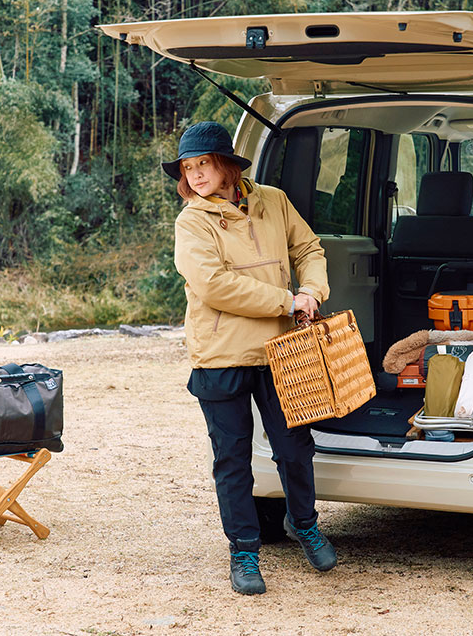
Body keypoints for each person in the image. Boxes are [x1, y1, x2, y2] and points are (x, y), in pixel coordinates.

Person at [165, 121, 336, 595]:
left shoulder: (273, 200)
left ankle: (305, 524)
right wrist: (286, 302)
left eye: (203, 164)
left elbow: (309, 248)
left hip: (283, 351)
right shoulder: (192, 221)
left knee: (295, 449)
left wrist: (311, 290)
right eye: (188, 168)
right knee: (233, 459)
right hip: (221, 355)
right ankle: (243, 550)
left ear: (227, 165)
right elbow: (213, 285)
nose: (195, 175)